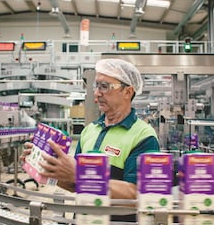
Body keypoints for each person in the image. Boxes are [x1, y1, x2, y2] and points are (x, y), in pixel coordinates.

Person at [22, 58, 160, 200]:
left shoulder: (143, 136)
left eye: (104, 86)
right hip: (84, 218)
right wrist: (47, 169)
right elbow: (75, 185)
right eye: (96, 86)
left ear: (127, 92)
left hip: (118, 222)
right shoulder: (89, 131)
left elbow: (137, 194)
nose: (97, 93)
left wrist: (80, 174)